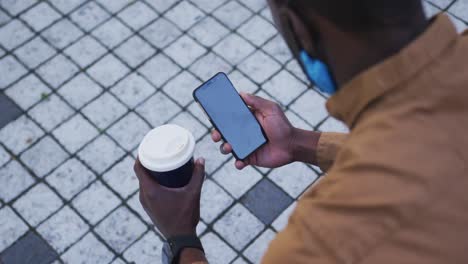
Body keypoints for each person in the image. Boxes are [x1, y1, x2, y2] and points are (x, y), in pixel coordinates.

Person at [134, 0, 468, 263]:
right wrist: (298, 143)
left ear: (298, 28)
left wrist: (182, 240)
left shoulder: (324, 245)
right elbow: (421, 150)